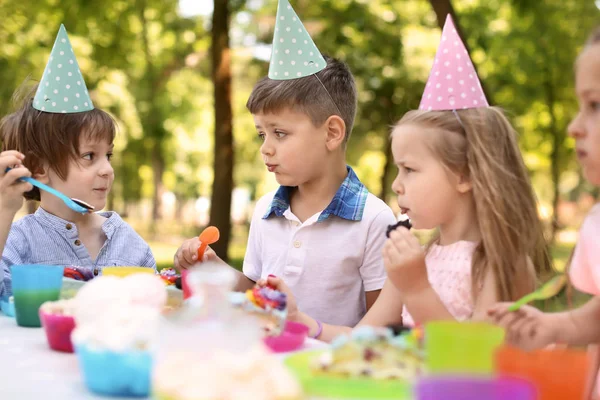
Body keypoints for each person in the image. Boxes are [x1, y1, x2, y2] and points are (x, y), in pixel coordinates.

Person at [173, 0, 396, 328]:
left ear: (331, 133)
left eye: (280, 133)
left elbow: (381, 328)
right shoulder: (266, 212)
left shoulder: (374, 220)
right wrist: (213, 268)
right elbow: (256, 293)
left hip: (329, 371)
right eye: (262, 133)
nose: (266, 148)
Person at [0, 25, 155, 297]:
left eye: (108, 155)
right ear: (38, 169)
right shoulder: (18, 241)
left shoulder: (130, 244)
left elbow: (156, 305)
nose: (107, 169)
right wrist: (3, 211)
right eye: (89, 156)